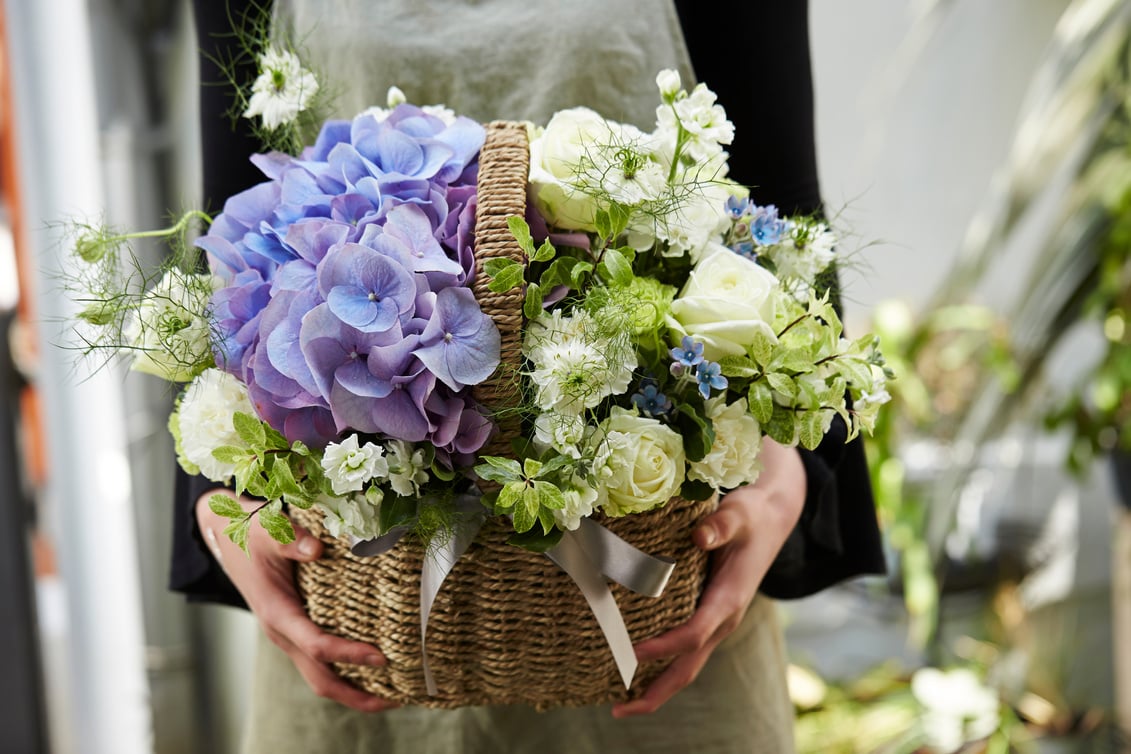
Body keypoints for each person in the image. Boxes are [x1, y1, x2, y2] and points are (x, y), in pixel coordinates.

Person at [175, 2, 886, 751]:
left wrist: (787, 475)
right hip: (358, 614)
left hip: (651, 603)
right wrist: (219, 498)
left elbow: (781, 221)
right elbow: (227, 249)